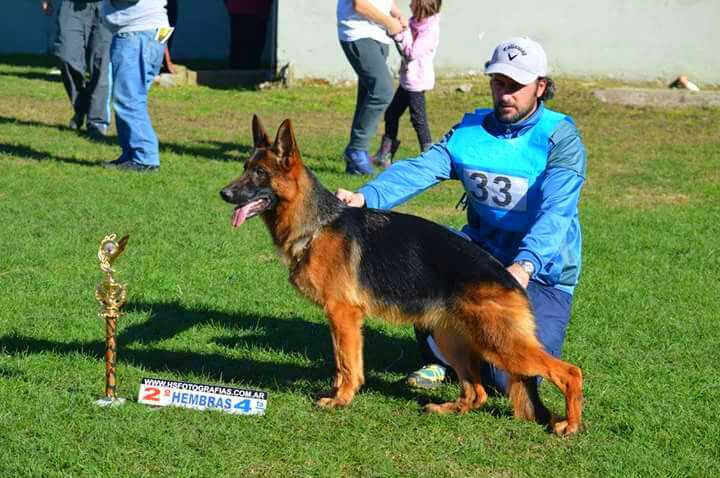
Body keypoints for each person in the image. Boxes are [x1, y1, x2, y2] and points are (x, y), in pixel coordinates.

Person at [336, 37, 587, 394]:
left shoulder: (561, 138)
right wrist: (366, 196)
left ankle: (471, 350)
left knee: (510, 375)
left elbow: (556, 213)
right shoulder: (469, 131)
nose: (505, 94)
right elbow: (420, 169)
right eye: (499, 83)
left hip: (542, 271)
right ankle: (442, 360)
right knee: (425, 255)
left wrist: (525, 266)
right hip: (480, 255)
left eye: (516, 86)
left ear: (541, 87)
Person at [337, 0, 406, 175]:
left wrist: (396, 13)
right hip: (358, 33)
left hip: (379, 35)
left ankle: (355, 162)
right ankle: (356, 149)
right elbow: (359, 4)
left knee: (368, 93)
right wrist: (389, 22)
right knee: (382, 92)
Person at [101, 0, 171, 172]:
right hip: (144, 32)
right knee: (129, 99)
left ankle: (144, 158)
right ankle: (131, 155)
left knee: (129, 100)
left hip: (137, 32)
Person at [373, 0, 441, 168]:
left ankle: (430, 158)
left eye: (413, 2)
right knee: (392, 114)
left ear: (421, 6)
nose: (409, 4)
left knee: (418, 120)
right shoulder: (415, 21)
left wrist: (398, 34)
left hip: (417, 81)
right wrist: (397, 28)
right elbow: (405, 34)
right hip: (408, 80)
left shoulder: (430, 31)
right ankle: (384, 155)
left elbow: (411, 52)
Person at [42, 0, 112, 139]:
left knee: (101, 65)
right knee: (66, 56)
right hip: (71, 6)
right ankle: (82, 108)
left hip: (106, 6)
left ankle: (96, 122)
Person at [224, 0, 274, 70]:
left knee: (239, 45)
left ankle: (236, 72)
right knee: (253, 47)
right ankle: (247, 72)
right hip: (256, 10)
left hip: (238, 9)